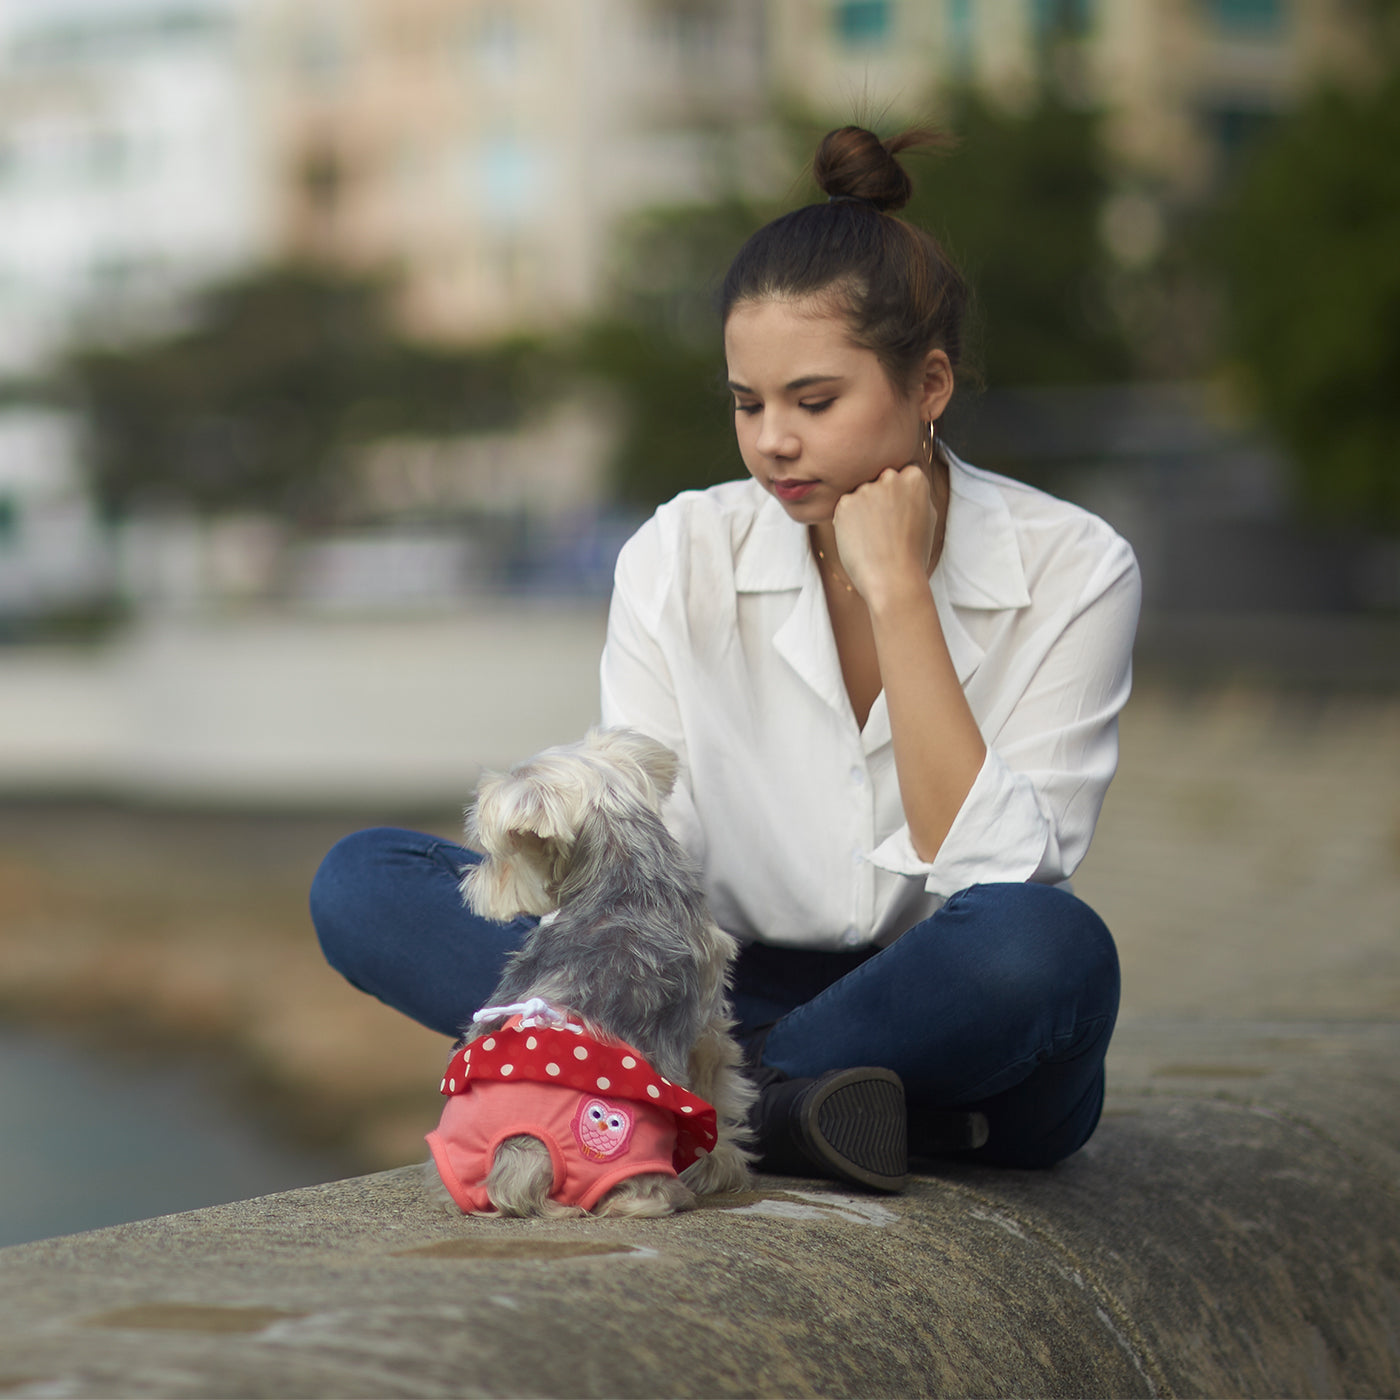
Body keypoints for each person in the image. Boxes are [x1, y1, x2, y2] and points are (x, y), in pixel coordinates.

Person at [310, 125, 1140, 1192]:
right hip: (704, 989)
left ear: (927, 383)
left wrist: (897, 596)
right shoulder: (680, 550)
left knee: (1046, 949)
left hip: (945, 1008)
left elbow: (999, 880)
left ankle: (683, 1102)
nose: (770, 443)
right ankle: (791, 1108)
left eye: (813, 400)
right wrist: (564, 825)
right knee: (364, 882)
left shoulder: (1075, 565)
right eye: (747, 404)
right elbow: (644, 860)